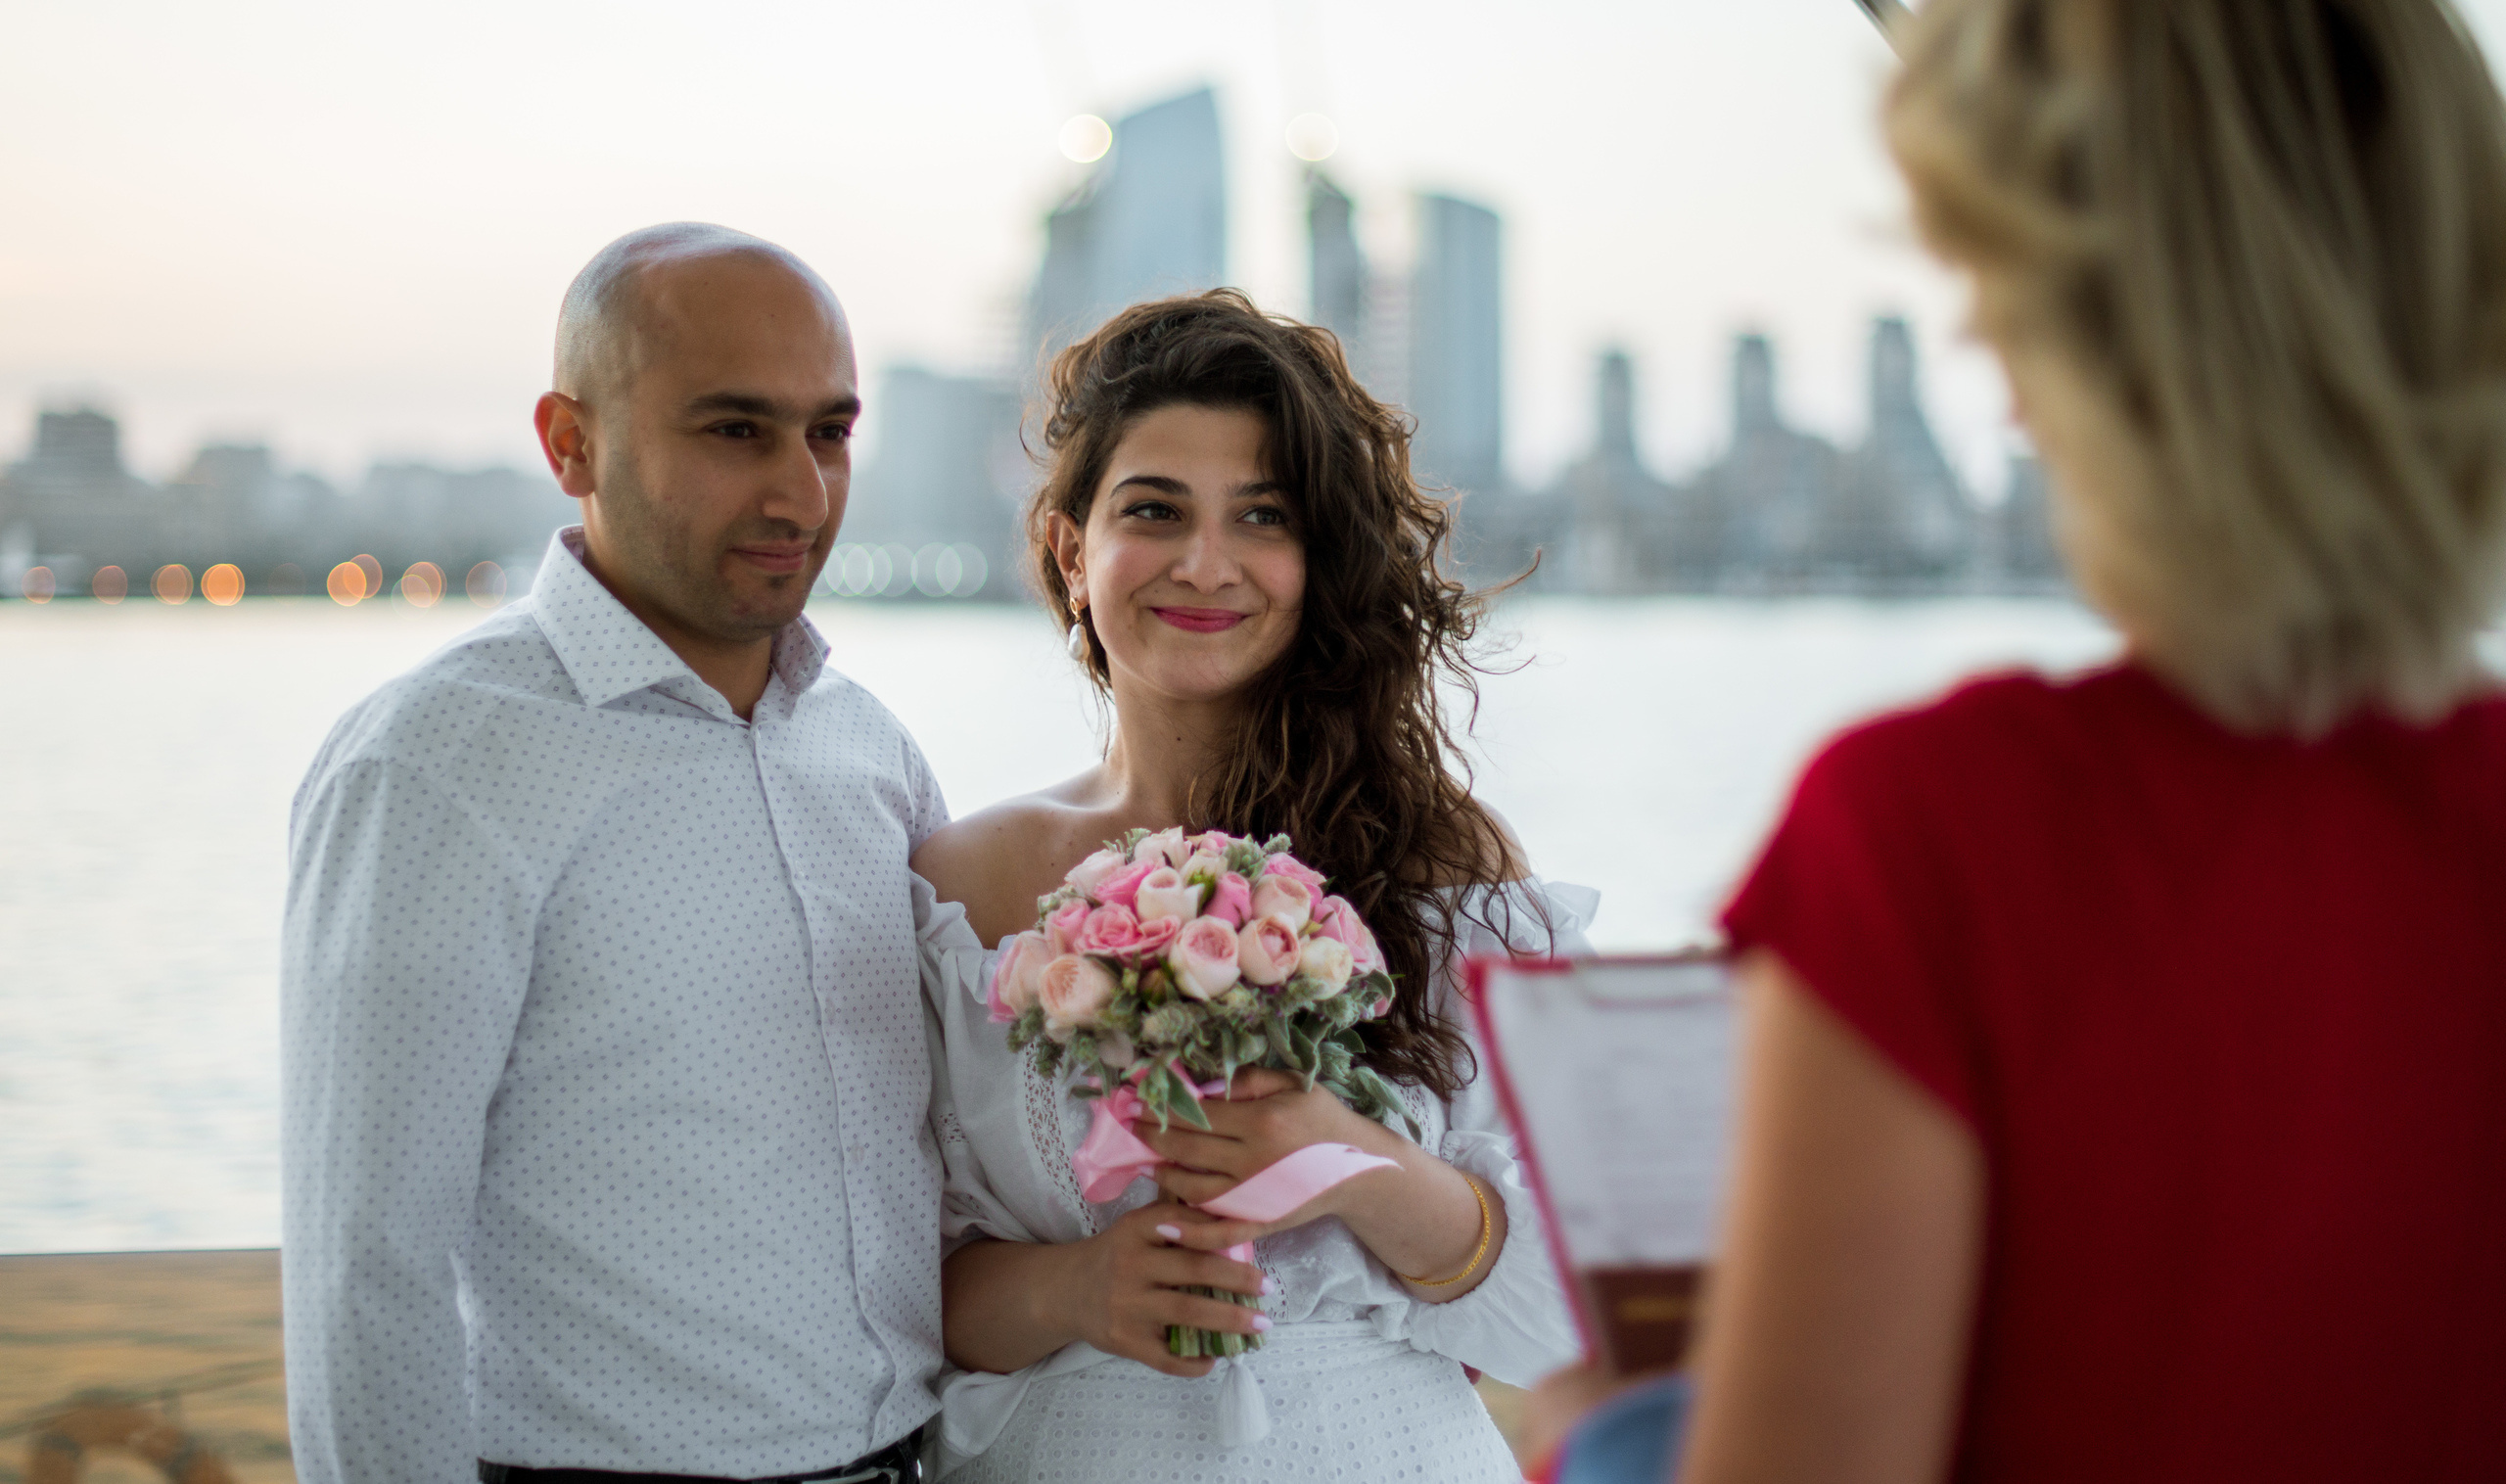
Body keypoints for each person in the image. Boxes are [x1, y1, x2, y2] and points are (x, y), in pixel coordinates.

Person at [1534, 0, 2506, 1479]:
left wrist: (1602, 1425)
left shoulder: (1942, 839)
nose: (1981, 350)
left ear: (2097, 344)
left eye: (1995, 284)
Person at [280, 223, 946, 1483]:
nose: (801, 495)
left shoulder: (868, 747)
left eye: (828, 432)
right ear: (568, 442)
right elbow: (367, 1268)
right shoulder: (435, 766)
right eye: (735, 429)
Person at [909, 290, 1585, 1481]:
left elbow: (1567, 1314)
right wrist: (1076, 1288)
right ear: (1070, 551)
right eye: (1154, 509)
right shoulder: (961, 880)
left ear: (1315, 560)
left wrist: (1347, 1155)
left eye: (1262, 515)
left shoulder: (1444, 862)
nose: (1205, 562)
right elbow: (890, 1288)